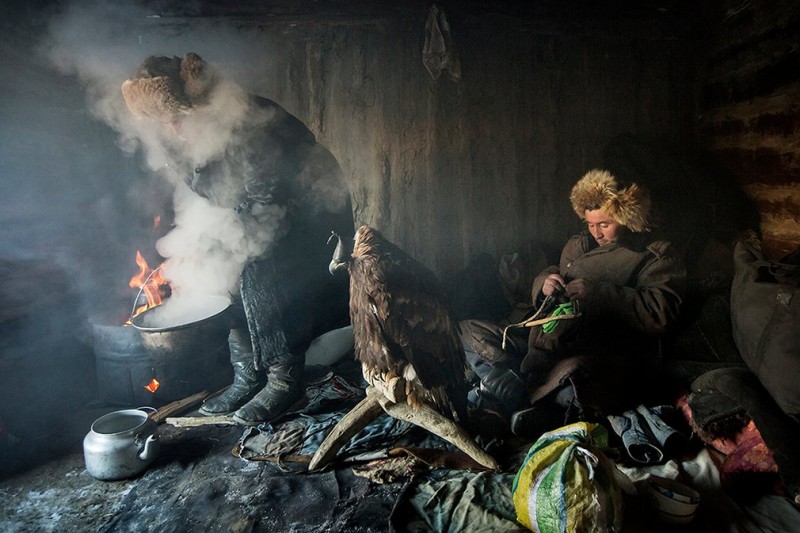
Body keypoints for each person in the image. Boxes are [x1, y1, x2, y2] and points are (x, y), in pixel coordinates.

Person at [120, 52, 353, 425]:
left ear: (200, 103)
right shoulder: (171, 132)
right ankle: (247, 374)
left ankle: (284, 381)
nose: (172, 129)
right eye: (163, 122)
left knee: (266, 276)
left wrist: (232, 247)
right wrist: (202, 245)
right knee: (217, 276)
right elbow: (203, 191)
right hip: (245, 209)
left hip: (304, 209)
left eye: (178, 118)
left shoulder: (249, 123)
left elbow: (270, 200)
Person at [461, 169, 686, 437]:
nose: (596, 233)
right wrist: (544, 284)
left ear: (627, 218)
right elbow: (553, 271)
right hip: (541, 334)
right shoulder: (579, 243)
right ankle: (514, 391)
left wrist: (600, 293)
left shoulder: (655, 255)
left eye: (604, 224)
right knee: (468, 330)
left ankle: (512, 395)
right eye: (590, 224)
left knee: (576, 375)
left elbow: (661, 311)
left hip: (592, 345)